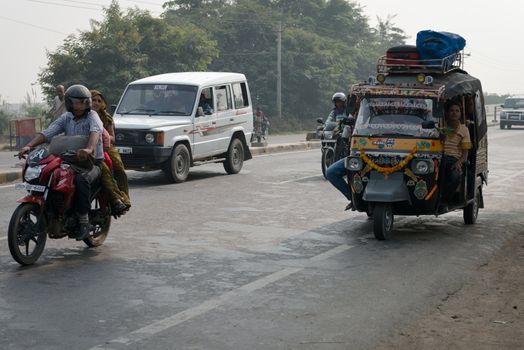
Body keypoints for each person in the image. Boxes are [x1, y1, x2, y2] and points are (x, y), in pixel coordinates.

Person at [17, 85, 104, 240]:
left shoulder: (93, 116)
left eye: (82, 102)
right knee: (52, 173)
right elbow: (48, 133)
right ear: (69, 103)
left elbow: (95, 133)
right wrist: (28, 146)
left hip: (91, 162)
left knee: (81, 180)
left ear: (87, 103)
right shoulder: (66, 118)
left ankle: (83, 221)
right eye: (75, 102)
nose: (78, 106)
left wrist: (89, 149)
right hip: (70, 159)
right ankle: (57, 209)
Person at [91, 90, 130, 215]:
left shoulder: (106, 117)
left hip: (105, 147)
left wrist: (103, 137)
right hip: (84, 146)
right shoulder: (79, 115)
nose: (96, 103)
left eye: (99, 101)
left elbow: (112, 137)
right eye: (93, 100)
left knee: (117, 167)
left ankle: (122, 199)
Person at [439, 100, 472, 211]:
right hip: (439, 157)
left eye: (457, 111)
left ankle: (444, 201)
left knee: (454, 177)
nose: (454, 113)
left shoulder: (464, 129)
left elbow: (465, 153)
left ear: (460, 113)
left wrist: (459, 162)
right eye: (451, 110)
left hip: (454, 159)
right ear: (447, 112)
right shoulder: (441, 125)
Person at [325, 92, 353, 210]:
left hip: (343, 134)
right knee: (330, 173)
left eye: (340, 101)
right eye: (336, 102)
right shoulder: (334, 112)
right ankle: (353, 197)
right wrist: (326, 126)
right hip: (336, 132)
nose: (338, 103)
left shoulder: (349, 112)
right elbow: (329, 121)